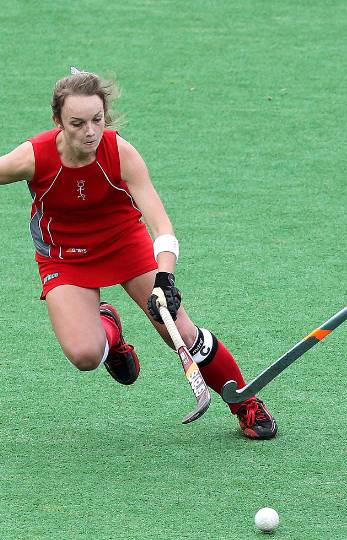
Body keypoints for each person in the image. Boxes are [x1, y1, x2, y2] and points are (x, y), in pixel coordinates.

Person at [0, 68, 277, 440]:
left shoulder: (120, 153)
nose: (90, 132)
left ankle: (245, 402)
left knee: (182, 333)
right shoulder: (33, 157)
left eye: (97, 120)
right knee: (85, 355)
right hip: (65, 255)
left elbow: (161, 227)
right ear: (58, 122)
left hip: (123, 244)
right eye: (77, 123)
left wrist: (165, 277)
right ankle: (110, 332)